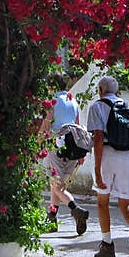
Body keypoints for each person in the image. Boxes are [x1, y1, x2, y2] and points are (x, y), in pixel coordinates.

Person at [86, 75, 129, 257]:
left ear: (101, 90)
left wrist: (97, 169)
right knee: (126, 203)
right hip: (128, 157)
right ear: (117, 91)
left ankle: (107, 246)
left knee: (102, 202)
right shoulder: (128, 107)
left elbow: (97, 137)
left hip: (107, 156)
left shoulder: (97, 106)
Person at [39, 73, 90, 235]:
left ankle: (76, 210)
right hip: (74, 147)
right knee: (57, 186)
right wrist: (81, 154)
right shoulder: (72, 100)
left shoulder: (51, 102)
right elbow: (78, 125)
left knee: (57, 185)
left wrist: (37, 143)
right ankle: (52, 219)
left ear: (51, 86)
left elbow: (46, 125)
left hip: (56, 147)